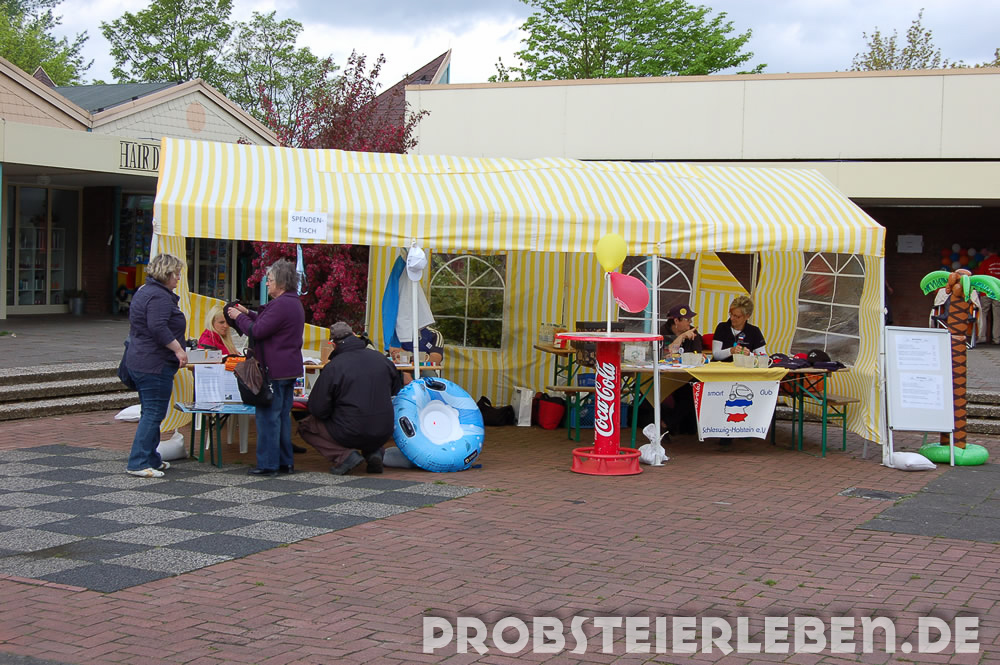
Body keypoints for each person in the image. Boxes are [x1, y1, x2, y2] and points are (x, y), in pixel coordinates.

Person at [227, 260, 305, 477]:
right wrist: (247, 312)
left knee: (268, 418)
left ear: (281, 282)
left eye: (269, 280)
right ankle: (285, 462)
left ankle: (268, 464)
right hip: (288, 368)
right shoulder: (293, 302)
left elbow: (258, 330)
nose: (267, 284)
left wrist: (238, 317)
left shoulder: (281, 305)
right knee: (281, 417)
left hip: (274, 370)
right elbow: (268, 323)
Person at [299, 321, 403, 475]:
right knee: (367, 422)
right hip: (384, 429)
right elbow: (396, 390)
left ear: (333, 344)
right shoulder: (382, 359)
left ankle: (344, 456)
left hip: (350, 430)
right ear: (355, 335)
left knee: (307, 426)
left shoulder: (334, 366)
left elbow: (318, 408)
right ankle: (374, 452)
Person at [124, 253, 188, 478]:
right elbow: (158, 327)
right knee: (153, 413)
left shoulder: (144, 290)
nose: (178, 278)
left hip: (139, 360)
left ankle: (151, 458)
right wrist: (178, 350)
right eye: (176, 274)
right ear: (166, 273)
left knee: (150, 411)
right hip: (155, 363)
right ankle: (138, 462)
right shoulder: (159, 296)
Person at [658, 304, 702, 436]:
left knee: (690, 392)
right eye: (687, 319)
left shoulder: (694, 334)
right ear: (676, 320)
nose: (690, 322)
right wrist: (681, 337)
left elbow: (697, 355)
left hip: (685, 377)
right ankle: (664, 424)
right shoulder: (662, 333)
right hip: (664, 376)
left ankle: (666, 424)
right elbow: (664, 354)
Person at [712, 295, 767, 361]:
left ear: (747, 316)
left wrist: (749, 354)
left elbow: (763, 358)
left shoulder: (754, 331)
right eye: (731, 314)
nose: (732, 318)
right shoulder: (722, 327)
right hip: (721, 366)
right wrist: (731, 351)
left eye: (737, 316)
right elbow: (716, 355)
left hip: (743, 367)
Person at [977, 247, 1000, 345]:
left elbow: (980, 277)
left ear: (989, 252)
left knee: (983, 313)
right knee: (997, 315)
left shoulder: (985, 262)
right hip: (998, 291)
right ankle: (997, 338)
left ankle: (982, 337)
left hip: (986, 291)